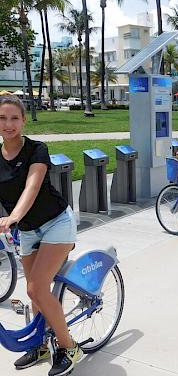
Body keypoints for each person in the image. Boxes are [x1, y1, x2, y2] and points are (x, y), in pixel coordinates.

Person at [0, 95, 82, 375]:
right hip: (26, 231)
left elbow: (31, 188)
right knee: (34, 293)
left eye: (14, 118)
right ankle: (41, 344)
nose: (8, 124)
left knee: (36, 287)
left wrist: (13, 217)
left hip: (56, 223)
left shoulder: (37, 149)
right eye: (2, 118)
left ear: (23, 120)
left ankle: (69, 346)